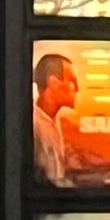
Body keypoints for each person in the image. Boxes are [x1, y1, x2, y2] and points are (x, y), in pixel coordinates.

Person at [33, 54, 77, 187]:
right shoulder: (32, 126)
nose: (76, 88)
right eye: (71, 81)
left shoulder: (54, 121)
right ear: (53, 83)